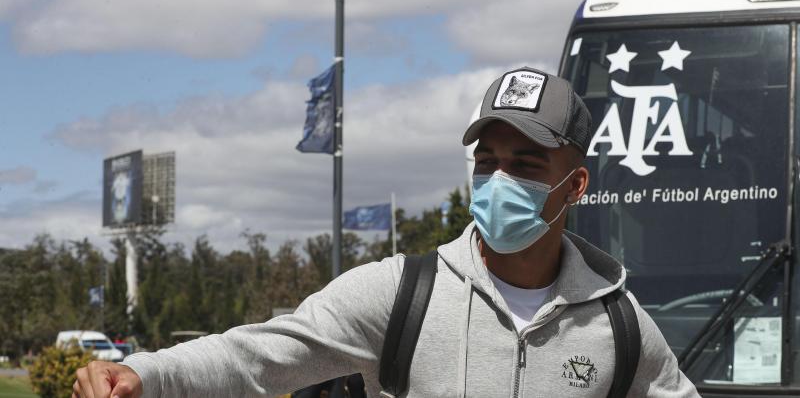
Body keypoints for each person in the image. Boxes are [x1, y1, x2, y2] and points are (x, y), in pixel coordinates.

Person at [72, 67, 699, 397]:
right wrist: (144, 376)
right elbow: (257, 357)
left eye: (528, 165)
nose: (500, 179)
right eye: (487, 163)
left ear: (576, 185)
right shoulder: (404, 295)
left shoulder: (617, 320)